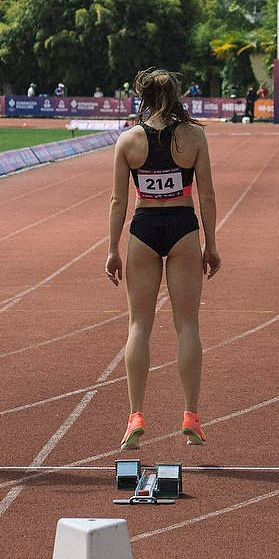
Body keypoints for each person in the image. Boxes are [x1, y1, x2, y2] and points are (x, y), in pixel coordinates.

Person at [106, 69, 220, 448]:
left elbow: (118, 201)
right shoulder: (194, 137)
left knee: (139, 325)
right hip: (183, 227)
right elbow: (206, 197)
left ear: (143, 97)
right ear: (176, 95)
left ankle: (135, 415)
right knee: (187, 324)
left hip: (143, 227)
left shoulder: (129, 141)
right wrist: (212, 244)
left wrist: (111, 249)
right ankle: (191, 415)